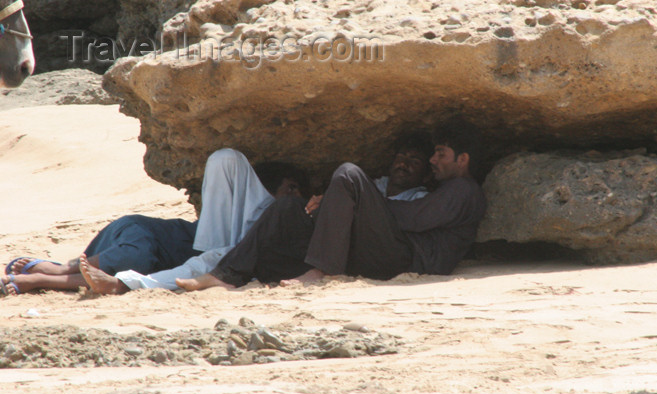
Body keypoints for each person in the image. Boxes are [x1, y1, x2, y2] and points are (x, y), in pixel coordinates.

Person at [78, 131, 436, 294]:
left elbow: (378, 231)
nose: (404, 164)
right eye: (401, 157)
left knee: (221, 259)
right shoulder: (373, 184)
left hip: (313, 251)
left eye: (414, 161)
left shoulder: (416, 199)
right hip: (292, 229)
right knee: (225, 160)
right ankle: (213, 253)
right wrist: (322, 204)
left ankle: (128, 283)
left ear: (427, 172)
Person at [170, 117, 486, 291]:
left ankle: (320, 271)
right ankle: (225, 275)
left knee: (348, 174)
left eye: (439, 154)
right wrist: (339, 206)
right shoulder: (451, 189)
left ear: (463, 159)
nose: (433, 160)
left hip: (408, 261)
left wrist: (350, 202)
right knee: (287, 208)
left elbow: (415, 219)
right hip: (375, 256)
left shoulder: (463, 189)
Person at [0, 149, 307, 296]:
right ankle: (59, 269)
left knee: (164, 263)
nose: (294, 198)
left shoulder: (241, 237)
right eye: (289, 189)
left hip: (155, 253)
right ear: (261, 188)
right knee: (226, 160)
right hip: (139, 234)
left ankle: (47, 276)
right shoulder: (237, 216)